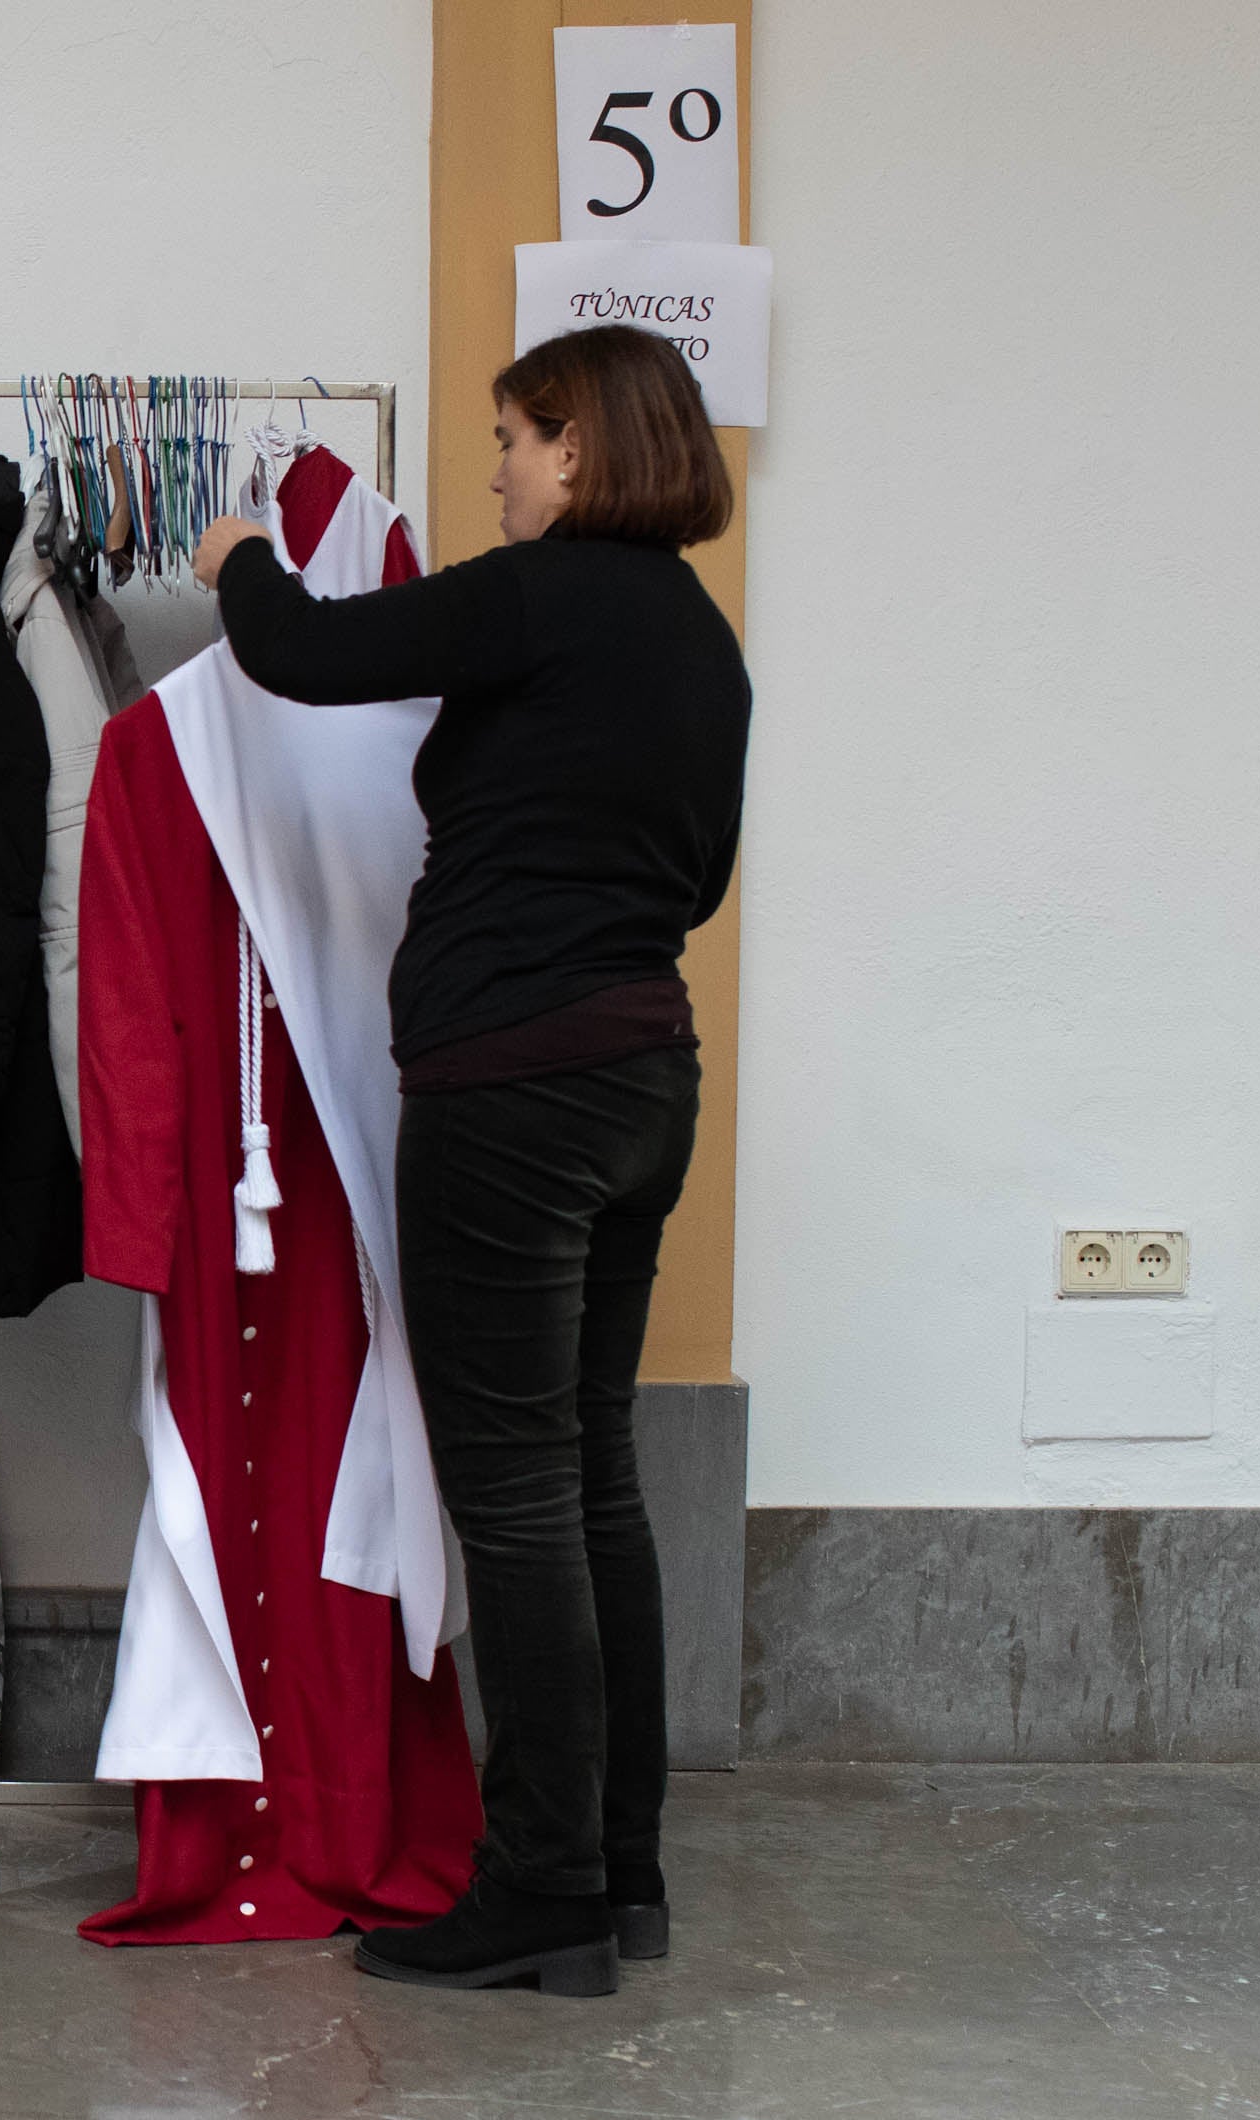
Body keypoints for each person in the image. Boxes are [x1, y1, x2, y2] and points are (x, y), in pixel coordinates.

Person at [189, 324, 749, 1995]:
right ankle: (620, 1871)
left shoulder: (548, 590)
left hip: (513, 1089)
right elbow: (699, 877)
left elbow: (305, 652)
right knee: (590, 1478)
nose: (497, 469)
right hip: (644, 1077)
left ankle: (543, 1893)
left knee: (511, 1492)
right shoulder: (704, 648)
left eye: (513, 437)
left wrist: (239, 559)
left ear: (581, 448)